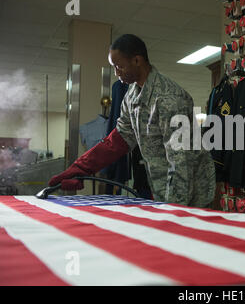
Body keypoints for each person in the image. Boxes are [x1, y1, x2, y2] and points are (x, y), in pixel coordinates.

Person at [49, 34, 216, 208]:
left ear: (137, 60)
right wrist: (81, 168)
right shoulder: (131, 95)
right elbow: (118, 140)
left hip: (192, 195)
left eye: (119, 66)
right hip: (164, 190)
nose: (116, 72)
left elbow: (182, 161)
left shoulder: (169, 98)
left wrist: (173, 209)